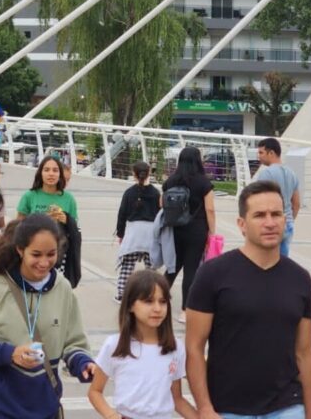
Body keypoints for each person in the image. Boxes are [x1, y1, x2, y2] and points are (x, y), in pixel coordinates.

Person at [186, 180, 311, 419]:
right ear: (242, 224)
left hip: (287, 407)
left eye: (276, 214)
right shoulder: (213, 274)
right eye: (259, 215)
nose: (270, 222)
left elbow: (304, 352)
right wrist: (204, 408)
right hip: (228, 409)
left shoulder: (300, 278)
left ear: (285, 220)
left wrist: (310, 413)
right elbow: (194, 347)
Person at [0, 215, 97, 419]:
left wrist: (83, 363)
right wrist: (10, 353)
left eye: (51, 254)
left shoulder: (63, 288)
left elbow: (73, 341)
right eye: (36, 254)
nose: (44, 262)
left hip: (44, 404)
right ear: (20, 250)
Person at [89, 270, 198, 419]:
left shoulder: (175, 347)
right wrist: (111, 415)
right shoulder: (115, 345)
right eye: (148, 301)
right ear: (130, 305)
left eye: (163, 301)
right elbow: (95, 391)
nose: (157, 308)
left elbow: (177, 398)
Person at [163, 146, 216, 319]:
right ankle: (185, 310)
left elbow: (161, 204)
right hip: (197, 230)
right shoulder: (204, 183)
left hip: (175, 229)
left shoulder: (171, 181)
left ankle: (157, 298)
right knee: (191, 270)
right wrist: (212, 233)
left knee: (172, 266)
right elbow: (210, 209)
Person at [18, 155, 81, 288]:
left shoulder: (68, 199)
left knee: (54, 289)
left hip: (58, 254)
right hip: (33, 251)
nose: (51, 174)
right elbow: (19, 225)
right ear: (40, 173)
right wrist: (42, 219)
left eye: (55, 170)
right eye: (46, 170)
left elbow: (75, 229)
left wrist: (66, 219)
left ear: (60, 174)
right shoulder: (30, 196)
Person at [115, 161, 161, 303]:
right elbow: (160, 215)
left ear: (133, 174)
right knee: (151, 266)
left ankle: (122, 293)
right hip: (150, 233)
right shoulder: (155, 193)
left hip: (133, 232)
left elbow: (122, 214)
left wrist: (120, 233)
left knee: (127, 265)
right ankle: (152, 292)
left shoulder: (129, 193)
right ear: (149, 174)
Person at [256, 138, 300, 257]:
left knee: (268, 260)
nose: (258, 156)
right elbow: (296, 203)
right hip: (288, 222)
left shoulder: (266, 174)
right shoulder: (292, 173)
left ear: (271, 153)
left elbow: (260, 200)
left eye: (261, 153)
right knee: (283, 262)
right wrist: (289, 218)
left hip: (272, 224)